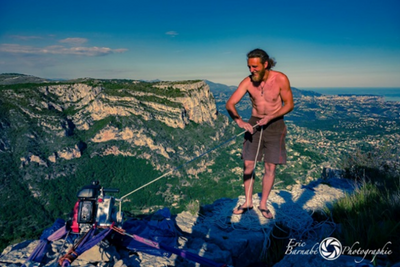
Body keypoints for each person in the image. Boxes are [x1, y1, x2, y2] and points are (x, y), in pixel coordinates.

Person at [226, 48, 294, 219]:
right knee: (249, 164)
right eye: (249, 67)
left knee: (270, 166)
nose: (251, 70)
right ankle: (248, 201)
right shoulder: (248, 82)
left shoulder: (280, 79)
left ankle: (263, 204)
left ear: (265, 64)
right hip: (254, 123)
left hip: (275, 124)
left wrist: (271, 116)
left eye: (255, 67)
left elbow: (289, 104)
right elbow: (230, 104)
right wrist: (240, 121)